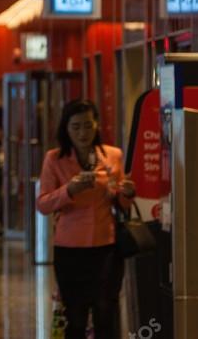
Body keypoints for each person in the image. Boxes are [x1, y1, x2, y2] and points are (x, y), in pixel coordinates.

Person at [36, 99, 136, 339]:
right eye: (76, 126)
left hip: (106, 246)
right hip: (70, 249)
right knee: (76, 315)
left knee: (105, 311)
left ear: (97, 125)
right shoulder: (54, 159)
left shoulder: (112, 155)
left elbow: (120, 202)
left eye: (88, 126)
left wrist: (127, 194)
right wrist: (69, 190)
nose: (83, 133)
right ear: (66, 128)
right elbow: (43, 204)